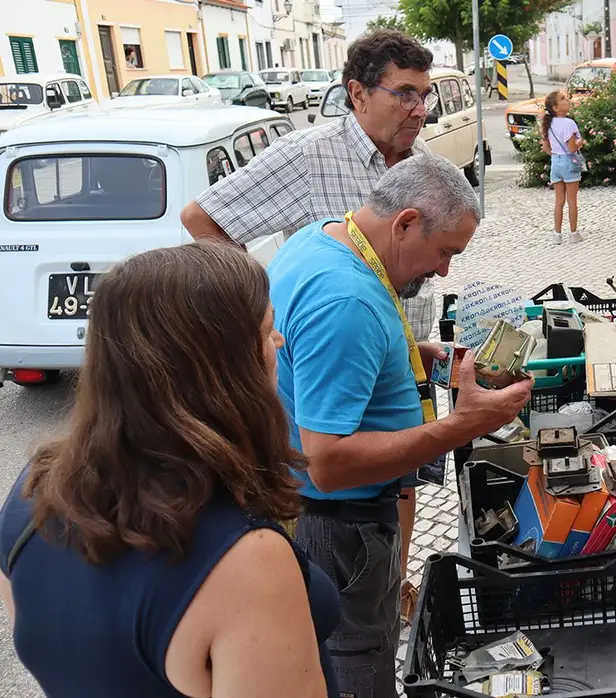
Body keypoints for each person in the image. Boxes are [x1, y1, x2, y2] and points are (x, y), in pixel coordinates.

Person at [181, 27, 443, 621]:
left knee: (398, 476)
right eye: (404, 93)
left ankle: (392, 580)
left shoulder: (417, 164)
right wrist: (256, 311)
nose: (419, 109)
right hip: (328, 356)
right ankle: (338, 603)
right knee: (335, 481)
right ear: (357, 94)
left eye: (424, 95)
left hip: (397, 343)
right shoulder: (307, 156)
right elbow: (203, 218)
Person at [0, 243, 340, 698]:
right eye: (266, 330)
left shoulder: (33, 489)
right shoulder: (246, 560)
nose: (278, 342)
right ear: (221, 371)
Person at [269, 150, 532, 698]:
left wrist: (406, 354)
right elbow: (328, 465)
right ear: (405, 222)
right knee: (358, 669)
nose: (444, 269)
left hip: (319, 520)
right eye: (443, 252)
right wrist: (460, 427)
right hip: (342, 529)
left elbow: (314, 353)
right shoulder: (347, 300)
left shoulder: (320, 241)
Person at [541, 89, 584, 244]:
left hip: (555, 162)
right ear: (556, 107)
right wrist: (581, 142)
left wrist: (556, 153)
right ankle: (573, 233)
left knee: (559, 200)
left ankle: (557, 234)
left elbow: (546, 148)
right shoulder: (568, 123)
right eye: (563, 98)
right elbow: (572, 148)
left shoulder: (549, 124)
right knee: (572, 200)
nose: (567, 100)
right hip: (568, 162)